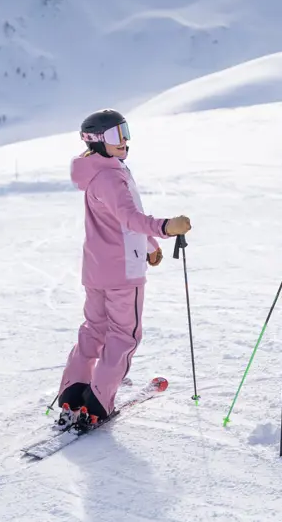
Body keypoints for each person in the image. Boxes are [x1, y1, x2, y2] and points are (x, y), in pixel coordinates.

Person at [56, 109, 192, 431]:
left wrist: (150, 246)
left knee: (95, 329)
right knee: (123, 335)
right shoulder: (111, 177)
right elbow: (131, 218)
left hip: (97, 269)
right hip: (122, 273)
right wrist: (165, 228)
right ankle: (97, 402)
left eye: (125, 131)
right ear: (96, 141)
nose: (125, 140)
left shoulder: (96, 173)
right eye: (116, 135)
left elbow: (121, 220)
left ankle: (73, 391)